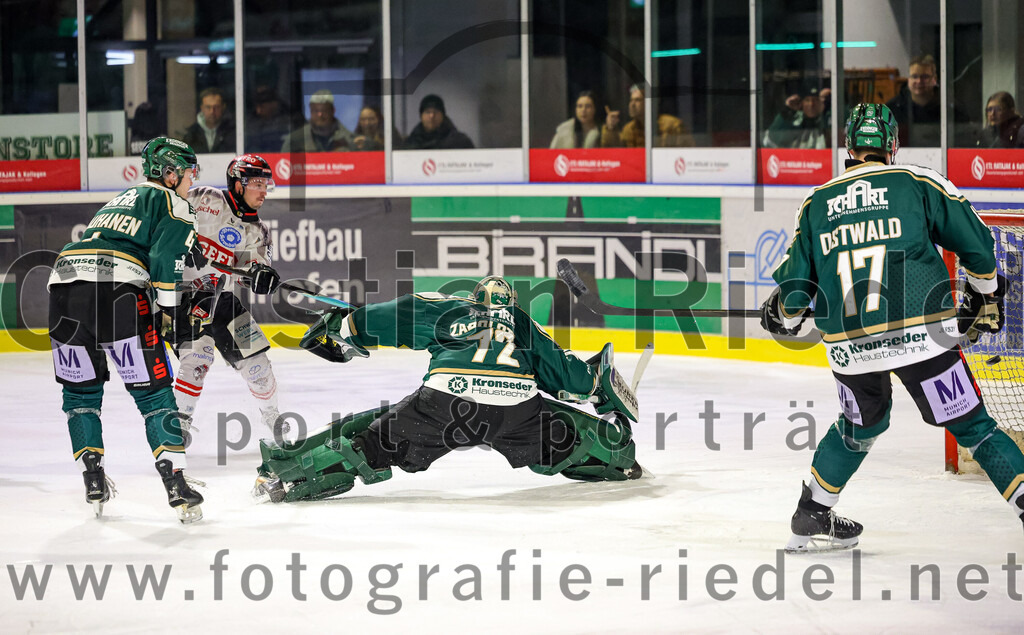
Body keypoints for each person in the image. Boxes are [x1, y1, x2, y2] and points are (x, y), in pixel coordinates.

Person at [760, 103, 1024, 551]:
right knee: (974, 430)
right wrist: (982, 294)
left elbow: (794, 297)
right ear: (892, 146)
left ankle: (812, 513)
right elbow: (978, 243)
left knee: (857, 426)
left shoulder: (817, 200)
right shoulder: (915, 182)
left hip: (850, 346)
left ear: (847, 147)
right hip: (922, 337)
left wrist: (781, 314)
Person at [252, 276, 643, 503]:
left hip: (447, 404)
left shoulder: (448, 306)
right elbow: (565, 376)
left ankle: (291, 476)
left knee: (370, 439)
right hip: (516, 411)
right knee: (569, 431)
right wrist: (596, 389)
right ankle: (618, 456)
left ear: (473, 297)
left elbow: (399, 314)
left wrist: (348, 326)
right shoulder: (524, 323)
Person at [47, 137, 206, 523]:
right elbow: (163, 260)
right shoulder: (172, 201)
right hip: (118, 291)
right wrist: (170, 315)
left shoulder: (119, 200)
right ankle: (176, 484)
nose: (191, 182)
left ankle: (93, 478)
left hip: (63, 287)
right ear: (169, 173)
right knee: (153, 394)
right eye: (188, 174)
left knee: (80, 392)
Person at [176, 154, 284, 436]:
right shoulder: (204, 198)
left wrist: (262, 277)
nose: (264, 192)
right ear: (238, 185)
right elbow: (167, 220)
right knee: (198, 358)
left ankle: (273, 418)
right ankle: (180, 422)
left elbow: (255, 272)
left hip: (222, 301)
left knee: (258, 365)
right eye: (257, 184)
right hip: (183, 298)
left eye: (266, 185)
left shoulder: (258, 232)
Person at [884, 54, 969, 147]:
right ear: (908, 79)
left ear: (934, 79)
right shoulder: (891, 110)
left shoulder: (952, 109)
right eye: (914, 76)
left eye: (925, 77)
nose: (919, 81)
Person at [601, 85, 695, 148]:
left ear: (649, 103)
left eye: (637, 100)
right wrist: (611, 129)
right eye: (631, 100)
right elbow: (616, 153)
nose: (632, 104)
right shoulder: (628, 129)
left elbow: (688, 153)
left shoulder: (672, 125)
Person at [281, 89, 355, 153]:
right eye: (316, 111)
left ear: (333, 111)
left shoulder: (349, 140)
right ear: (310, 111)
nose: (320, 115)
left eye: (324, 110)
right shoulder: (294, 141)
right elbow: (283, 164)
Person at [762, 85, 830, 149]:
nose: (811, 104)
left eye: (816, 100)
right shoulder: (794, 122)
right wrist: (787, 112)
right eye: (807, 100)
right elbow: (772, 139)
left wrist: (829, 106)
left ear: (822, 103)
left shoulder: (827, 119)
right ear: (801, 104)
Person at [401, 94, 474, 150]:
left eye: (436, 112)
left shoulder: (460, 142)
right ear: (421, 116)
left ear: (443, 115)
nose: (432, 116)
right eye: (427, 112)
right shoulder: (411, 143)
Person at [182, 87, 235, 153]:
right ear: (202, 108)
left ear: (223, 107)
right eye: (208, 107)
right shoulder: (191, 135)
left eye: (216, 107)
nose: (212, 111)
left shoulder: (233, 133)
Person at [245, 85, 292, 153]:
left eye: (262, 106)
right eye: (256, 107)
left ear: (274, 104)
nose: (258, 111)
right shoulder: (252, 121)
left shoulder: (290, 119)